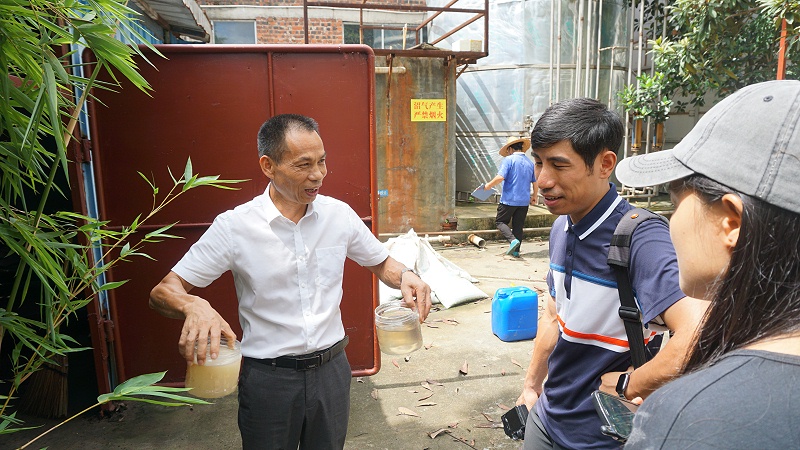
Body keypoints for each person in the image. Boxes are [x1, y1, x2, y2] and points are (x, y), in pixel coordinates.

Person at [149, 114, 432, 450]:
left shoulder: (338, 215)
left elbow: (381, 262)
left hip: (332, 372)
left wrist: (406, 275)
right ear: (268, 166)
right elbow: (163, 291)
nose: (318, 175)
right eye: (304, 165)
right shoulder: (235, 226)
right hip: (269, 379)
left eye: (322, 161)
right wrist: (193, 304)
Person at [617, 80, 800, 449]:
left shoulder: (692, 419)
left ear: (731, 221)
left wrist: (664, 427)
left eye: (674, 201)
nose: (669, 221)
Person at [515, 98, 708, 449]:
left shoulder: (641, 237)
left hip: (604, 437)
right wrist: (531, 386)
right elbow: (554, 316)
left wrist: (628, 387)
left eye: (559, 165)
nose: (542, 180)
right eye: (539, 162)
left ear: (605, 164)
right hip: (546, 419)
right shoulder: (562, 227)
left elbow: (696, 335)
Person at [482, 136, 538, 257]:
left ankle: (513, 241)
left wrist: (487, 186)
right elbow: (535, 182)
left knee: (500, 222)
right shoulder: (529, 162)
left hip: (509, 200)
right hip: (523, 201)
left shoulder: (509, 160)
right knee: (518, 226)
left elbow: (501, 177)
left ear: (510, 149)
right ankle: (516, 252)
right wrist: (535, 196)